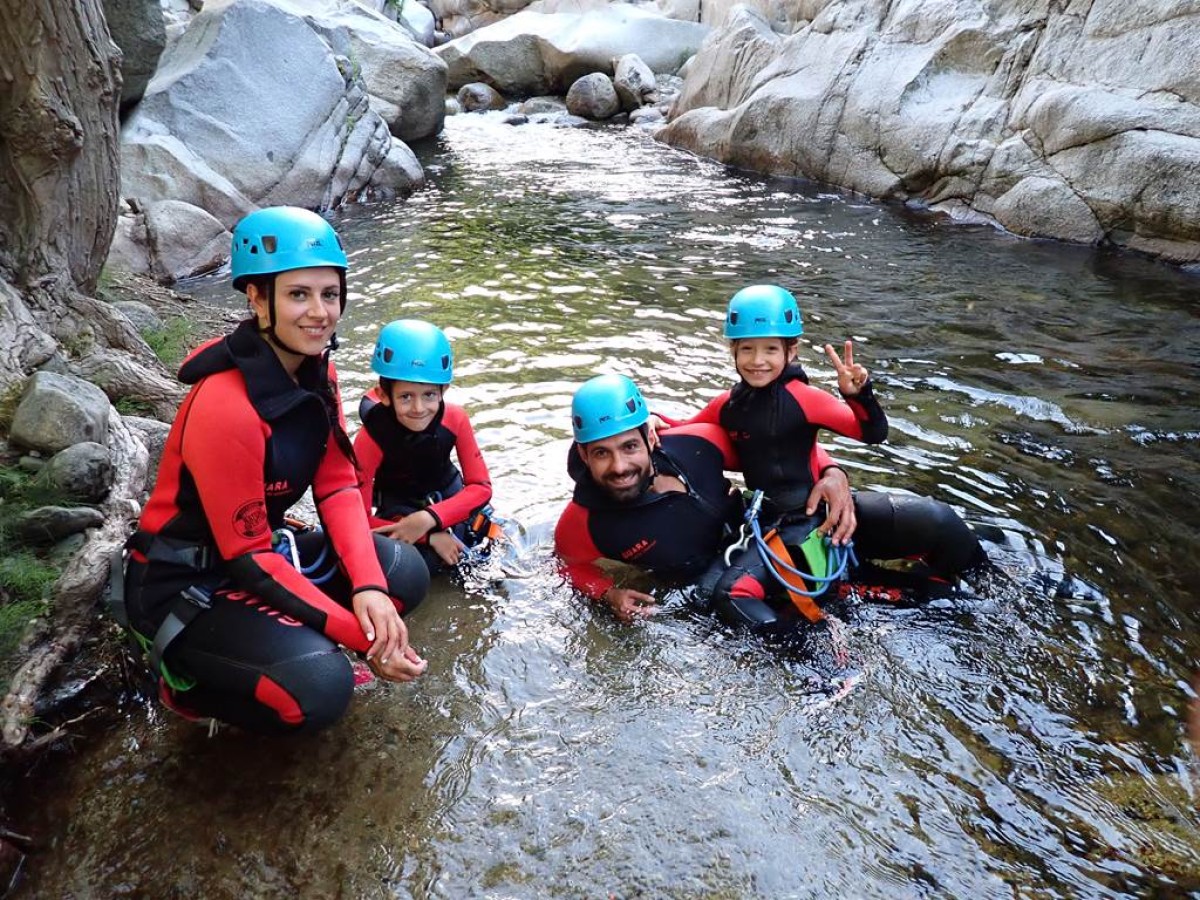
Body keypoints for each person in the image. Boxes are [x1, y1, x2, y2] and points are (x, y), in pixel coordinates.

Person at [116, 206, 429, 734]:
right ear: (257, 299)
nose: (319, 313)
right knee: (322, 685)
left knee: (402, 572)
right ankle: (191, 686)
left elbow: (334, 484)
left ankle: (286, 643)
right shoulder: (225, 404)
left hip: (254, 556)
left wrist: (369, 588)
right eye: (298, 294)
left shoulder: (316, 369)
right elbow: (251, 557)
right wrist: (365, 638)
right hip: (187, 584)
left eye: (330, 294)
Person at [662, 284, 986, 632]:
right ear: (733, 352)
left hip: (808, 518)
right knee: (730, 594)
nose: (758, 361)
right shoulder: (727, 405)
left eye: (770, 349)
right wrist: (649, 422)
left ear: (792, 350)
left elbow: (871, 433)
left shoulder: (806, 398)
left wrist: (860, 395)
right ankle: (807, 651)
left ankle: (992, 580)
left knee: (935, 517)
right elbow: (684, 430)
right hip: (774, 524)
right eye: (747, 350)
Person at [553, 373, 856, 624]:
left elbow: (777, 454)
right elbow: (570, 565)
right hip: (706, 598)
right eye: (601, 453)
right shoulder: (584, 520)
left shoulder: (696, 443)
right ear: (583, 454)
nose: (619, 467)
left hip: (760, 543)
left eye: (629, 446)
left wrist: (832, 472)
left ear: (650, 436)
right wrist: (609, 594)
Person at [355, 319, 498, 575]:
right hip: (399, 510)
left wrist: (429, 519)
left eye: (429, 395)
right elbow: (357, 519)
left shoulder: (455, 419)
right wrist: (427, 536)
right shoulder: (371, 438)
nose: (419, 408)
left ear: (444, 390)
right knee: (424, 567)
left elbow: (481, 487)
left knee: (488, 544)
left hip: (448, 498)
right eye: (406, 397)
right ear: (384, 395)